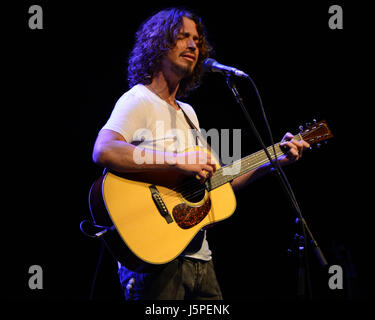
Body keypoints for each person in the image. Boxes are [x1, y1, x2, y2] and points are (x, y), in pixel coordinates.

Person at [92, 7, 310, 300]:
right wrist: (177, 161)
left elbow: (222, 182)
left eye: (197, 39)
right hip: (157, 262)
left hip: (201, 261)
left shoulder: (189, 113)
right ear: (158, 43)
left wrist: (276, 161)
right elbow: (104, 150)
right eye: (183, 37)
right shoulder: (138, 100)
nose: (193, 45)